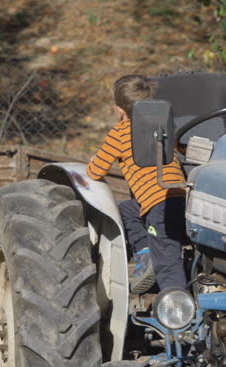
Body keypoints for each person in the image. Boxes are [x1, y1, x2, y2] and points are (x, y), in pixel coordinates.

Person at [86, 74, 187, 294]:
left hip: (157, 206)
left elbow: (96, 171)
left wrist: (93, 162)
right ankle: (145, 252)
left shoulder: (119, 133)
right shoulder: (163, 126)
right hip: (181, 197)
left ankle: (177, 314)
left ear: (120, 111)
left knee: (167, 262)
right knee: (126, 211)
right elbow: (182, 149)